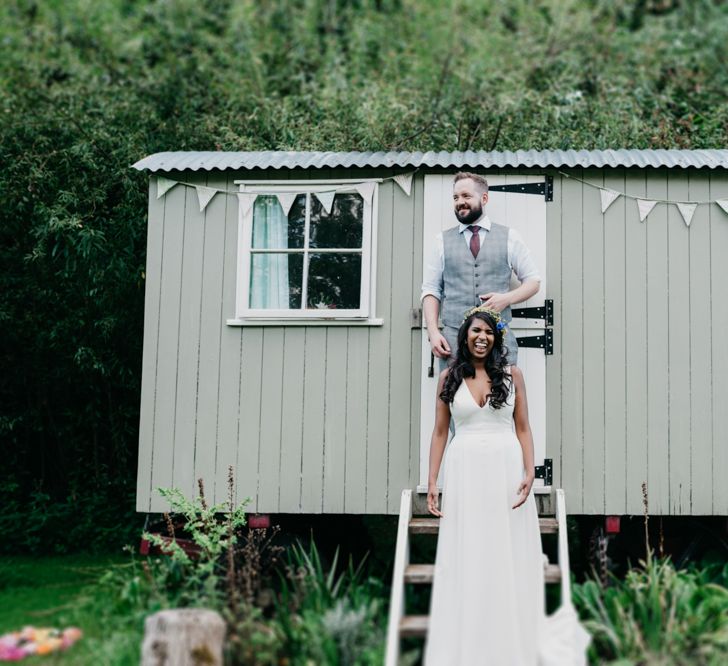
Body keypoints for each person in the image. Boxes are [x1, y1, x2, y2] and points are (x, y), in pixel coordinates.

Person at [423, 306, 589, 665]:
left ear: (496, 339)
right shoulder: (448, 379)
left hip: (504, 466)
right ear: (465, 336)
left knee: (505, 545)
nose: (482, 337)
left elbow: (524, 427)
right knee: (470, 546)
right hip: (465, 467)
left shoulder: (513, 376)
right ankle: (469, 637)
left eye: (489, 332)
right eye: (475, 331)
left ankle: (510, 638)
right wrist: (432, 480)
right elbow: (439, 432)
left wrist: (530, 471)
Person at [421, 172, 541, 367]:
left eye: (466, 196)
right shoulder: (441, 241)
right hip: (454, 342)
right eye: (455, 197)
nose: (460, 202)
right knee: (455, 397)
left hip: (498, 340)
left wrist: (506, 299)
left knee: (501, 397)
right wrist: (433, 333)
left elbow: (533, 282)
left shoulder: (510, 237)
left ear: (484, 198)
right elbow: (430, 290)